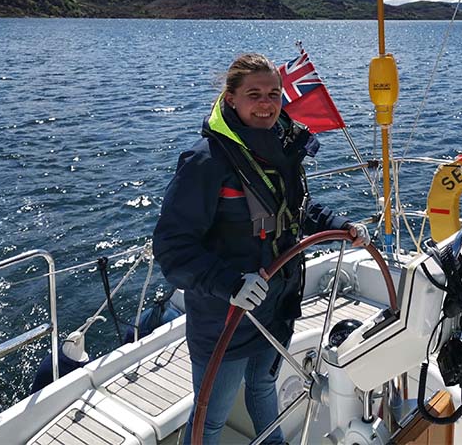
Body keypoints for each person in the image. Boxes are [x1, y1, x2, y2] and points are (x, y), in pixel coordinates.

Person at [153, 53, 370, 444]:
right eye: (254, 94)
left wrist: (340, 227)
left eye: (274, 93)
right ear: (231, 98)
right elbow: (172, 250)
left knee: (262, 387)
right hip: (227, 320)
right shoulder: (205, 162)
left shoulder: (283, 150)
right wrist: (229, 283)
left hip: (277, 308)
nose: (267, 103)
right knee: (209, 419)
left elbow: (297, 211)